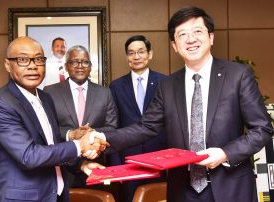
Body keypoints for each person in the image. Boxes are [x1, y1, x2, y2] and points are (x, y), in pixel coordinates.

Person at [100, 6, 274, 202]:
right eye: (182, 34)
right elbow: (146, 127)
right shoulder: (166, 85)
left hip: (231, 187)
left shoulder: (238, 75)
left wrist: (225, 153)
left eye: (197, 31)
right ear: (174, 45)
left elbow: (262, 129)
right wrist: (102, 138)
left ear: (211, 37)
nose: (190, 39)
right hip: (183, 190)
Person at [0, 37, 107, 202]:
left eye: (38, 59)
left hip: (55, 193)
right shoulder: (0, 103)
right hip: (20, 198)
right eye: (22, 59)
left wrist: (80, 165)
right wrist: (80, 145)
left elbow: (51, 145)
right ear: (8, 65)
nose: (33, 65)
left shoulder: (45, 98)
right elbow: (29, 156)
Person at [44, 45, 118, 188]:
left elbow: (112, 127)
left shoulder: (104, 93)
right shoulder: (50, 92)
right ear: (66, 66)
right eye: (74, 62)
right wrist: (70, 134)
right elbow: (47, 128)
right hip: (62, 165)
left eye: (85, 62)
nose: (80, 66)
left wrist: (93, 137)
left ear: (90, 67)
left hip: (95, 164)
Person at [107, 35, 167, 202]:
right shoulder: (116, 86)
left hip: (159, 158)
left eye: (141, 52)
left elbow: (171, 123)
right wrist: (115, 163)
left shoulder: (165, 82)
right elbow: (114, 126)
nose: (136, 57)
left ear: (150, 54)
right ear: (127, 57)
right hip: (128, 160)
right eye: (131, 53)